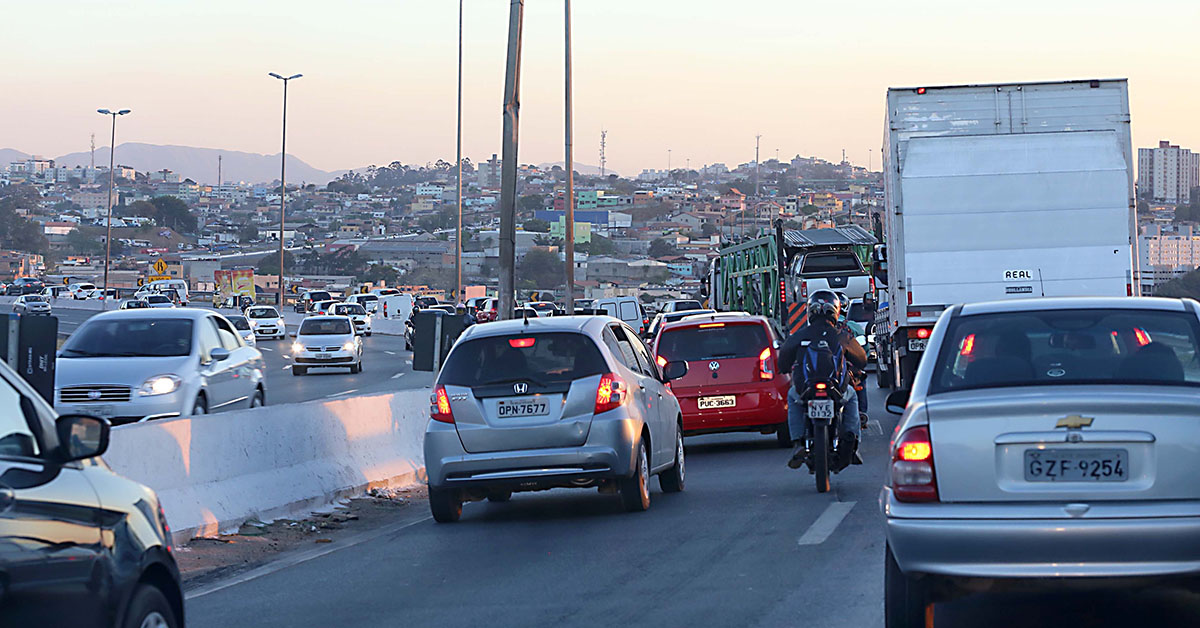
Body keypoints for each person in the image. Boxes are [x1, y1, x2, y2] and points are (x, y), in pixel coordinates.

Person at [778, 290, 868, 470]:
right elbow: (862, 360)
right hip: (835, 389)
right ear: (835, 311)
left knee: (792, 397)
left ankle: (798, 442)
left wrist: (785, 369)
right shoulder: (842, 335)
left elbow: (783, 360)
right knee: (851, 399)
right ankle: (853, 439)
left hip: (806, 389)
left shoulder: (800, 335)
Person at [834, 292, 870, 429]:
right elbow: (864, 349)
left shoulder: (816, 329)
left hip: (827, 371)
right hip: (848, 368)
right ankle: (862, 414)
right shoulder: (852, 326)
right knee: (861, 380)